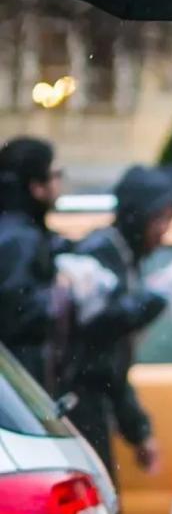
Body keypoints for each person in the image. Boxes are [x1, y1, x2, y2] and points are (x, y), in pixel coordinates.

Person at [66, 165, 172, 481]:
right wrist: (151, 301)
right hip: (79, 406)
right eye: (160, 219)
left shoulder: (124, 256)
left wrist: (138, 430)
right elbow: (100, 339)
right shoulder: (102, 254)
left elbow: (112, 362)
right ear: (138, 216)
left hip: (87, 404)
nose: (164, 231)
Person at [0, 136, 71, 390]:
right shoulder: (20, 238)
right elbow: (16, 313)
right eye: (56, 174)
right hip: (17, 382)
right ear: (37, 187)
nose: (60, 183)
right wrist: (64, 293)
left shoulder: (21, 233)